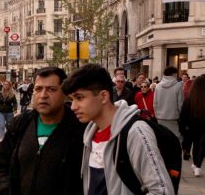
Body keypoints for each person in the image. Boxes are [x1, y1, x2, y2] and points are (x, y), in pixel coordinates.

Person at [64, 64, 174, 194]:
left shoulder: (135, 132)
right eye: (72, 100)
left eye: (79, 98)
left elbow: (162, 190)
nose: (73, 107)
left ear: (104, 96)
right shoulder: (88, 133)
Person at [0, 67, 84, 195]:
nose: (43, 95)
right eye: (38, 89)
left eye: (51, 89)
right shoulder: (21, 124)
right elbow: (0, 163)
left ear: (65, 94)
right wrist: (6, 190)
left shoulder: (80, 129)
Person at [180, 75, 205, 176]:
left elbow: (183, 115)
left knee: (196, 145)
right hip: (203, 126)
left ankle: (196, 165)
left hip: (192, 127)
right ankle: (197, 165)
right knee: (202, 146)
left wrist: (183, 129)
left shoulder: (189, 99)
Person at [153, 66, 184, 141]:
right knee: (175, 139)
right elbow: (180, 103)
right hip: (173, 118)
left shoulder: (158, 86)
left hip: (160, 117)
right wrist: (180, 115)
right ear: (174, 74)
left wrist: (157, 114)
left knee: (163, 139)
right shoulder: (178, 85)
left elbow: (155, 103)